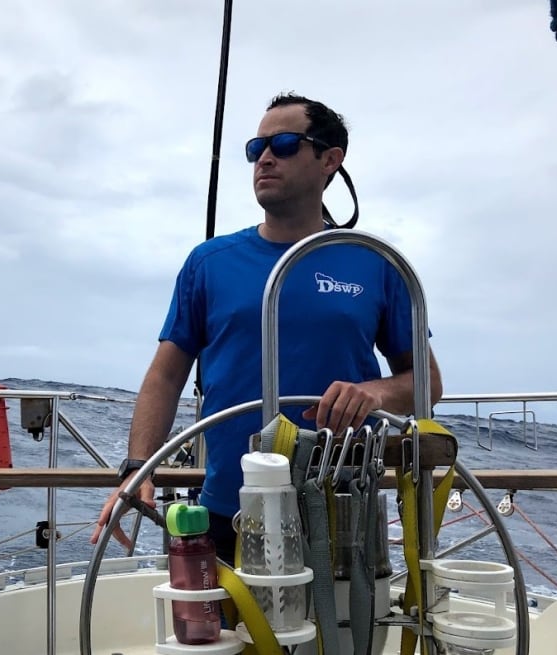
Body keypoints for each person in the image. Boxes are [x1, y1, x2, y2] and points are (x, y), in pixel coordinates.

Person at [92, 92, 443, 563]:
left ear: (330, 160)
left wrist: (374, 394)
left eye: (283, 143)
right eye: (256, 149)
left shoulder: (375, 264)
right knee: (224, 636)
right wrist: (139, 470)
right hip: (229, 510)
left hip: (342, 509)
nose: (266, 158)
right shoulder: (208, 263)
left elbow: (426, 382)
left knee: (342, 637)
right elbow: (166, 375)